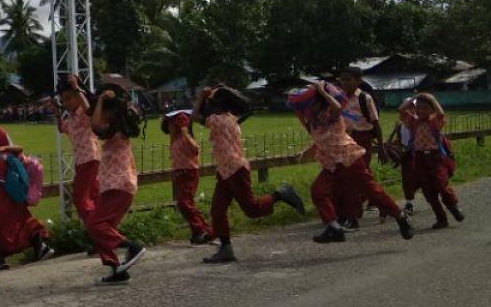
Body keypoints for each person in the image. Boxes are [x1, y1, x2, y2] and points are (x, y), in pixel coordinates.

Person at [290, 83, 414, 243]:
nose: (309, 109)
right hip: (332, 166)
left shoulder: (330, 115)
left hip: (350, 160)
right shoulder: (314, 123)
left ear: (321, 103)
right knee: (318, 191)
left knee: (373, 193)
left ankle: (400, 216)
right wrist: (306, 152)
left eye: (312, 105)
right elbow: (321, 141)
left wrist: (321, 92)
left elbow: (337, 108)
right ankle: (333, 227)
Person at [193, 85, 305, 264]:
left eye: (212, 102)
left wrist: (200, 98)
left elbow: (194, 117)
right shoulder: (230, 118)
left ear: (219, 105)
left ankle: (281, 194)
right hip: (226, 170)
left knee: (251, 210)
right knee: (217, 210)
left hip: (235, 169)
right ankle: (226, 248)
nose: (209, 105)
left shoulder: (219, 120)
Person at [87, 85, 146, 285]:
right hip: (118, 186)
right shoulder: (120, 127)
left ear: (110, 111)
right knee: (104, 229)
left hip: (118, 186)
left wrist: (102, 99)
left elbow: (95, 126)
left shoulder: (115, 129)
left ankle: (132, 247)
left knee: (95, 225)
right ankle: (117, 271)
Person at [0, 127, 53, 273]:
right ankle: (39, 245)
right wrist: (6, 147)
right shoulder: (14, 155)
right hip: (15, 198)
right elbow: (20, 148)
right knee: (21, 222)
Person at [398, 93, 463, 229]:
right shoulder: (413, 122)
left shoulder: (435, 122)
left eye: (425, 108)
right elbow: (401, 110)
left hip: (435, 158)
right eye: (419, 108)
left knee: (441, 185)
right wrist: (414, 97)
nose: (421, 111)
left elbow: (441, 113)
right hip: (420, 159)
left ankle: (453, 206)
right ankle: (441, 218)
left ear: (432, 110)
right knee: (428, 192)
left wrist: (432, 98)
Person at [336, 67, 383, 228]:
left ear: (358, 81)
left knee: (356, 177)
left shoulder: (364, 98)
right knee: (352, 177)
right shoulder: (338, 99)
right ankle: (381, 203)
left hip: (362, 140)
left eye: (348, 79)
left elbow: (376, 124)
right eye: (342, 79)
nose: (344, 83)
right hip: (345, 141)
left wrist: (381, 148)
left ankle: (353, 215)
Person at [53, 75, 100, 227]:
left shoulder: (83, 112)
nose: (65, 103)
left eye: (68, 98)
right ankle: (99, 231)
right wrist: (58, 113)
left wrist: (77, 88)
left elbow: (89, 110)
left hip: (90, 159)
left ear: (78, 97)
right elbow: (62, 128)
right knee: (92, 198)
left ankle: (97, 229)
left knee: (80, 199)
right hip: (82, 162)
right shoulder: (72, 117)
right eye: (63, 100)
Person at [163, 109, 214, 244]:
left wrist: (185, 132)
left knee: (183, 203)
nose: (168, 128)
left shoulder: (185, 138)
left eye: (170, 125)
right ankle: (200, 231)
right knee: (188, 204)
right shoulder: (174, 139)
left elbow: (195, 150)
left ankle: (201, 229)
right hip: (180, 174)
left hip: (188, 173)